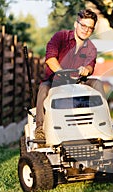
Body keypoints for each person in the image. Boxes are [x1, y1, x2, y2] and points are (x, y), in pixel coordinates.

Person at [35, 8, 105, 142]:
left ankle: (102, 121)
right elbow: (50, 58)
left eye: (90, 28)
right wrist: (62, 73)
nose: (86, 30)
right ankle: (40, 128)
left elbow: (91, 65)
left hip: (77, 83)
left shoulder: (91, 48)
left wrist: (86, 70)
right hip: (55, 81)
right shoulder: (60, 37)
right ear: (76, 24)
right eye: (83, 25)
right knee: (43, 88)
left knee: (97, 83)